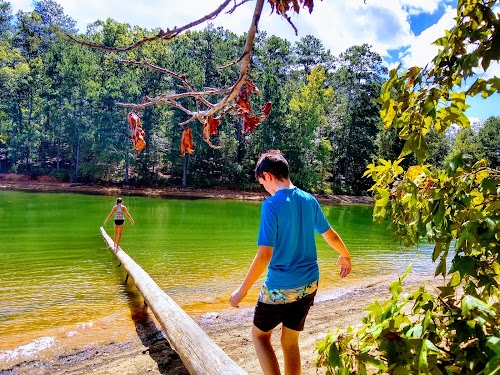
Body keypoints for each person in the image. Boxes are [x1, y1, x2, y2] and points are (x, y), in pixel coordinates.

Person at [229, 150, 351, 375]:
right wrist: (345, 256)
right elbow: (329, 234)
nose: (264, 188)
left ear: (267, 176)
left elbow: (264, 255)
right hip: (309, 284)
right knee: (290, 341)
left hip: (280, 287)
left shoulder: (271, 205)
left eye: (261, 183)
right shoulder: (308, 199)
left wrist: (241, 291)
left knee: (260, 336)